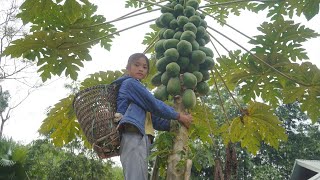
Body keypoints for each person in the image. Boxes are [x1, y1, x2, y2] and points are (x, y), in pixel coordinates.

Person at [112, 53, 193, 180]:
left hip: (141, 136)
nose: (140, 69)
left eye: (144, 67)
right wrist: (178, 116)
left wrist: (174, 125)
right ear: (128, 68)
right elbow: (154, 104)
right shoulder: (130, 84)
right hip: (133, 135)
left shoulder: (138, 91)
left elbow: (153, 119)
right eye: (136, 65)